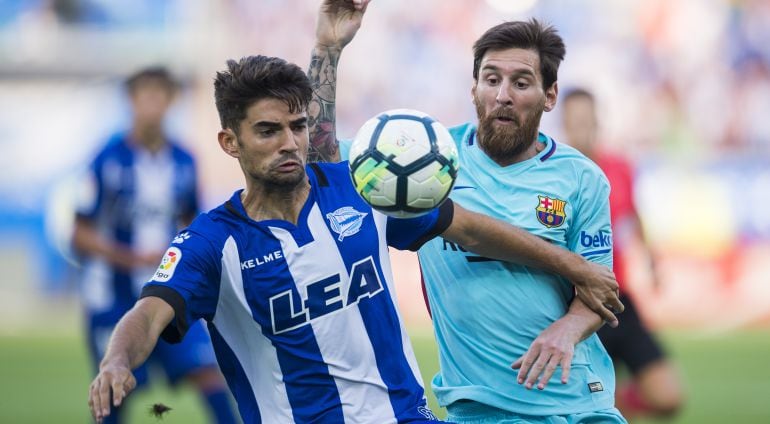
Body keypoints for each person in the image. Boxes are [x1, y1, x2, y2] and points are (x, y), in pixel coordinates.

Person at [88, 55, 622, 424]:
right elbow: (150, 311)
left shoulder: (363, 189)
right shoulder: (211, 241)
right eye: (268, 131)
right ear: (230, 142)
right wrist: (117, 360)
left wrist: (574, 267)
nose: (290, 143)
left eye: (297, 127)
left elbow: (469, 225)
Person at [308, 1, 627, 422]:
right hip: (479, 409)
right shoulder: (425, 159)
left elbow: (597, 289)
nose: (503, 95)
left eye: (521, 83)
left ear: (549, 96)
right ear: (473, 88)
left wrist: (565, 332)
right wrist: (328, 48)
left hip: (577, 403)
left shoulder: (581, 178)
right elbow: (321, 157)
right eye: (491, 79)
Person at [73, 66, 236, 424]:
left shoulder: (184, 161)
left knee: (208, 372)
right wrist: (129, 258)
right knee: (116, 385)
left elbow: (192, 223)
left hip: (167, 290)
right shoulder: (106, 159)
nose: (153, 105)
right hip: (111, 297)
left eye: (161, 96)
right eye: (145, 96)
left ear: (171, 101)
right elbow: (78, 233)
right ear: (131, 102)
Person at [560, 88, 685, 419]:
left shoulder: (619, 167)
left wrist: (651, 260)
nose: (582, 128)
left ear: (597, 121)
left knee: (668, 398)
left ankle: (616, 400)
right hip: (578, 305)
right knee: (592, 408)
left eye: (587, 120)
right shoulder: (555, 175)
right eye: (574, 122)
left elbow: (634, 213)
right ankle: (608, 403)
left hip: (621, 300)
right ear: (564, 124)